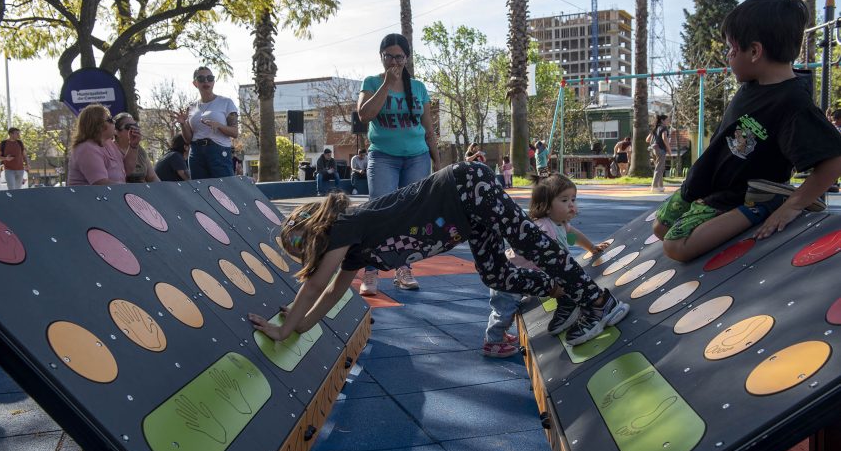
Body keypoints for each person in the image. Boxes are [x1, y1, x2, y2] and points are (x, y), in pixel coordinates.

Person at [248, 161, 630, 346]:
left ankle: (598, 300)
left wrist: (283, 330)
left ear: (318, 238)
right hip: (466, 215)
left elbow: (315, 287)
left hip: (466, 188)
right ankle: (563, 294)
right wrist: (300, 325)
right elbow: (331, 292)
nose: (312, 263)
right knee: (497, 274)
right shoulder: (351, 252)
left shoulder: (344, 226)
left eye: (307, 255)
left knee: (529, 239)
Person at [653, 0, 841, 263]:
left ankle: (765, 205)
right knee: (659, 228)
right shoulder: (752, 84)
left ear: (755, 51)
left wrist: (792, 206)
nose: (728, 56)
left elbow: (834, 160)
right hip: (705, 180)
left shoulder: (793, 103)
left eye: (732, 48)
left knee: (676, 247)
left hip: (740, 195)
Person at [484, 173, 611, 357]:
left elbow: (573, 237)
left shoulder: (560, 224)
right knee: (504, 310)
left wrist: (591, 247)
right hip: (510, 276)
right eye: (564, 200)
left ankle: (499, 334)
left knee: (509, 309)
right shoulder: (543, 229)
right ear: (545, 206)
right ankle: (492, 341)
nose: (571, 205)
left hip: (528, 277)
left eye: (573, 199)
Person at [356, 33, 440, 294]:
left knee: (409, 214)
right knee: (379, 211)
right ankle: (370, 271)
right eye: (389, 56)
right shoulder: (371, 83)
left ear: (407, 58)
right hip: (383, 156)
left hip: (416, 157)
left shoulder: (418, 88)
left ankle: (403, 268)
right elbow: (364, 115)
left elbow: (428, 129)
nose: (394, 61)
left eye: (399, 56)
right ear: (381, 57)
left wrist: (437, 160)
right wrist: (387, 85)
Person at [172, 66, 239, 179]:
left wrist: (219, 125)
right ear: (195, 83)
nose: (206, 81)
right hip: (196, 152)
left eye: (210, 78)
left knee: (225, 188)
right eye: (201, 79)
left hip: (218, 150)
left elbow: (235, 132)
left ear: (213, 82)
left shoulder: (226, 102)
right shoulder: (191, 107)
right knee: (201, 190)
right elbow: (188, 139)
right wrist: (183, 123)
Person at [67, 104, 136, 186]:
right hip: (87, 198)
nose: (114, 122)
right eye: (110, 120)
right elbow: (101, 183)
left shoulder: (109, 144)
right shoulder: (87, 149)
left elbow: (127, 170)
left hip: (105, 197)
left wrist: (133, 145)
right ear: (99, 125)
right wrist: (130, 190)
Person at [113, 113, 159, 183]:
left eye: (136, 126)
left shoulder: (140, 150)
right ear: (116, 132)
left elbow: (152, 177)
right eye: (129, 127)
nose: (134, 129)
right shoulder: (109, 149)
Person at [647, 115, 671, 192]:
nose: (668, 121)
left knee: (659, 168)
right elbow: (664, 138)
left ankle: (660, 186)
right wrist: (669, 149)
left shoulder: (655, 129)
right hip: (660, 149)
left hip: (653, 149)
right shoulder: (663, 128)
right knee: (659, 168)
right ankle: (654, 186)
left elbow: (647, 140)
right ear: (662, 121)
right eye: (667, 120)